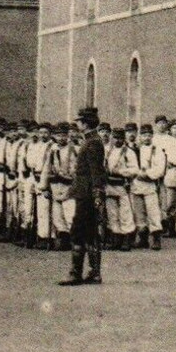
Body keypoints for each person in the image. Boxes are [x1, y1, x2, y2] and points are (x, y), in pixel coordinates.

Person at [62, 108, 108, 286]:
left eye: (79, 121)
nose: (77, 124)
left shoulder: (92, 143)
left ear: (86, 123)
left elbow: (96, 172)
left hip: (86, 194)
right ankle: (94, 273)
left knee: (78, 231)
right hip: (85, 192)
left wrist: (97, 194)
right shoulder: (91, 141)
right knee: (89, 232)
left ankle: (76, 273)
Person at [132, 123, 168, 249]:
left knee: (153, 212)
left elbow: (160, 169)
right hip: (136, 185)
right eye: (143, 135)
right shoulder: (135, 150)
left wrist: (147, 175)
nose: (146, 138)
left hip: (150, 185)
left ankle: (156, 238)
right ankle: (143, 238)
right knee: (139, 213)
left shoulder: (157, 151)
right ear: (140, 136)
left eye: (148, 135)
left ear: (152, 136)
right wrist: (137, 174)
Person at [104, 125, 140, 250]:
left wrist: (120, 171)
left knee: (125, 212)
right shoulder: (107, 150)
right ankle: (116, 238)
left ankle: (126, 238)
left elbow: (135, 170)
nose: (117, 140)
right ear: (111, 138)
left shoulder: (128, 152)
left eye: (120, 138)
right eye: (115, 138)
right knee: (112, 212)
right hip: (109, 185)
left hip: (123, 186)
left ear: (123, 139)